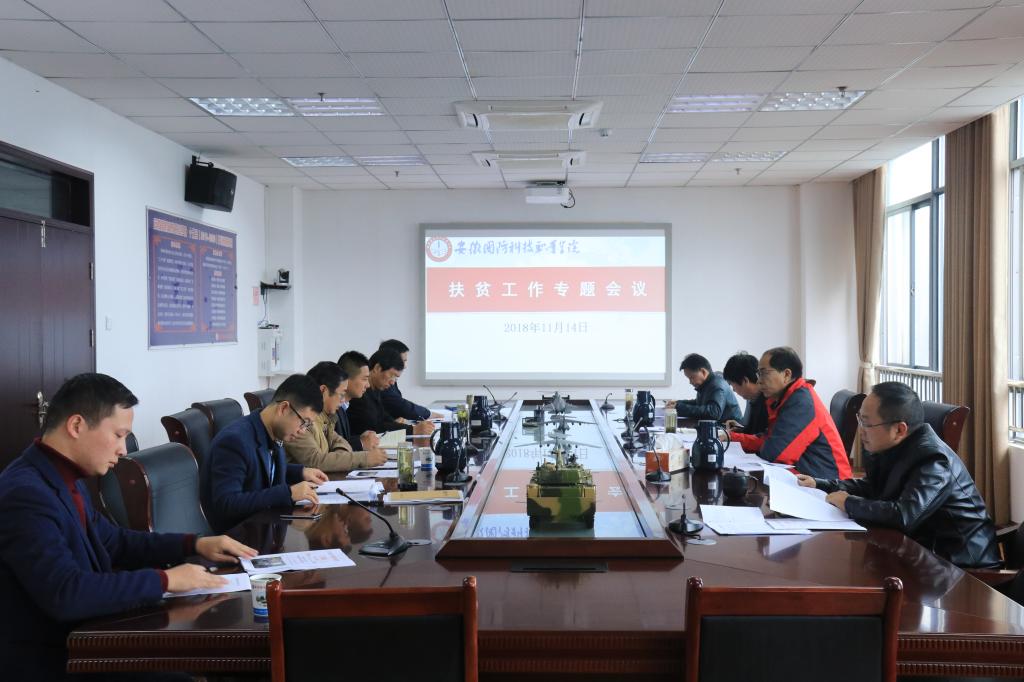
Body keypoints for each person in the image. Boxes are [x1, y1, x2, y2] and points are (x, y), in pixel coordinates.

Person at [0, 373, 257, 681]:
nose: (123, 450)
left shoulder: (65, 477)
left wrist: (195, 544)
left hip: (89, 637)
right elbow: (65, 593)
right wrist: (165, 580)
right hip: (55, 659)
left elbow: (114, 541)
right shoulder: (25, 494)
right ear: (77, 426)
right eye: (118, 435)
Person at [798, 382, 1000, 569]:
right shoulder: (892, 445)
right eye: (860, 419)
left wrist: (849, 503)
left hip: (959, 567)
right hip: (920, 553)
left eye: (867, 423)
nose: (861, 431)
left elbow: (904, 515)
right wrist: (820, 484)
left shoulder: (933, 460)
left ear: (899, 429)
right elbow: (872, 487)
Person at [202, 374, 329, 534]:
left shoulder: (271, 430)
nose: (303, 431)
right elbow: (227, 503)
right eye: (304, 422)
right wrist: (288, 493)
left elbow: (262, 468)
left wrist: (300, 472)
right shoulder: (234, 441)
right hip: (238, 537)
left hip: (263, 528)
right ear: (283, 408)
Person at [729, 346, 852, 479]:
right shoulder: (786, 398)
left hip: (828, 484)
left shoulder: (801, 403)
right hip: (808, 475)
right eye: (759, 374)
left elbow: (775, 454)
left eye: (764, 373)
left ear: (786, 375)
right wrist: (732, 437)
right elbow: (768, 439)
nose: (758, 380)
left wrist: (765, 443)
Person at [285, 361, 387, 472]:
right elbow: (316, 461)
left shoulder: (326, 418)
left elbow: (343, 444)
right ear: (323, 391)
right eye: (341, 394)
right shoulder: (300, 421)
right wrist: (365, 458)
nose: (343, 400)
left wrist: (336, 458)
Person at [347, 348, 435, 439]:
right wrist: (412, 429)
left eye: (396, 378)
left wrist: (394, 423)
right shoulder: (359, 394)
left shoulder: (375, 390)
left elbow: (382, 416)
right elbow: (374, 428)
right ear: (377, 368)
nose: (393, 382)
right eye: (392, 375)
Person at [377, 339, 444, 421]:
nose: (405, 366)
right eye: (403, 361)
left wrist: (394, 422)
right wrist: (428, 414)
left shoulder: (388, 377)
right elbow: (398, 404)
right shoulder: (381, 381)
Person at [665, 353, 742, 422]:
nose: (690, 382)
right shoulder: (707, 383)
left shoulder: (717, 385)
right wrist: (678, 403)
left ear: (703, 372)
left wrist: (679, 407)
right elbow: (699, 403)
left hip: (730, 429)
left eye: (692, 377)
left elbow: (714, 413)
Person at [336, 350, 381, 452]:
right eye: (364, 379)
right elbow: (331, 449)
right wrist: (361, 443)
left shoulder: (344, 406)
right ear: (346, 379)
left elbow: (342, 440)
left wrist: (360, 439)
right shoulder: (332, 408)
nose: (368, 385)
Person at [722, 351, 769, 435]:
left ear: (745, 380)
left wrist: (733, 436)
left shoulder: (769, 401)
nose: (734, 390)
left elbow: (763, 438)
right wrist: (741, 429)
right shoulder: (753, 398)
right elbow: (755, 431)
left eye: (732, 384)